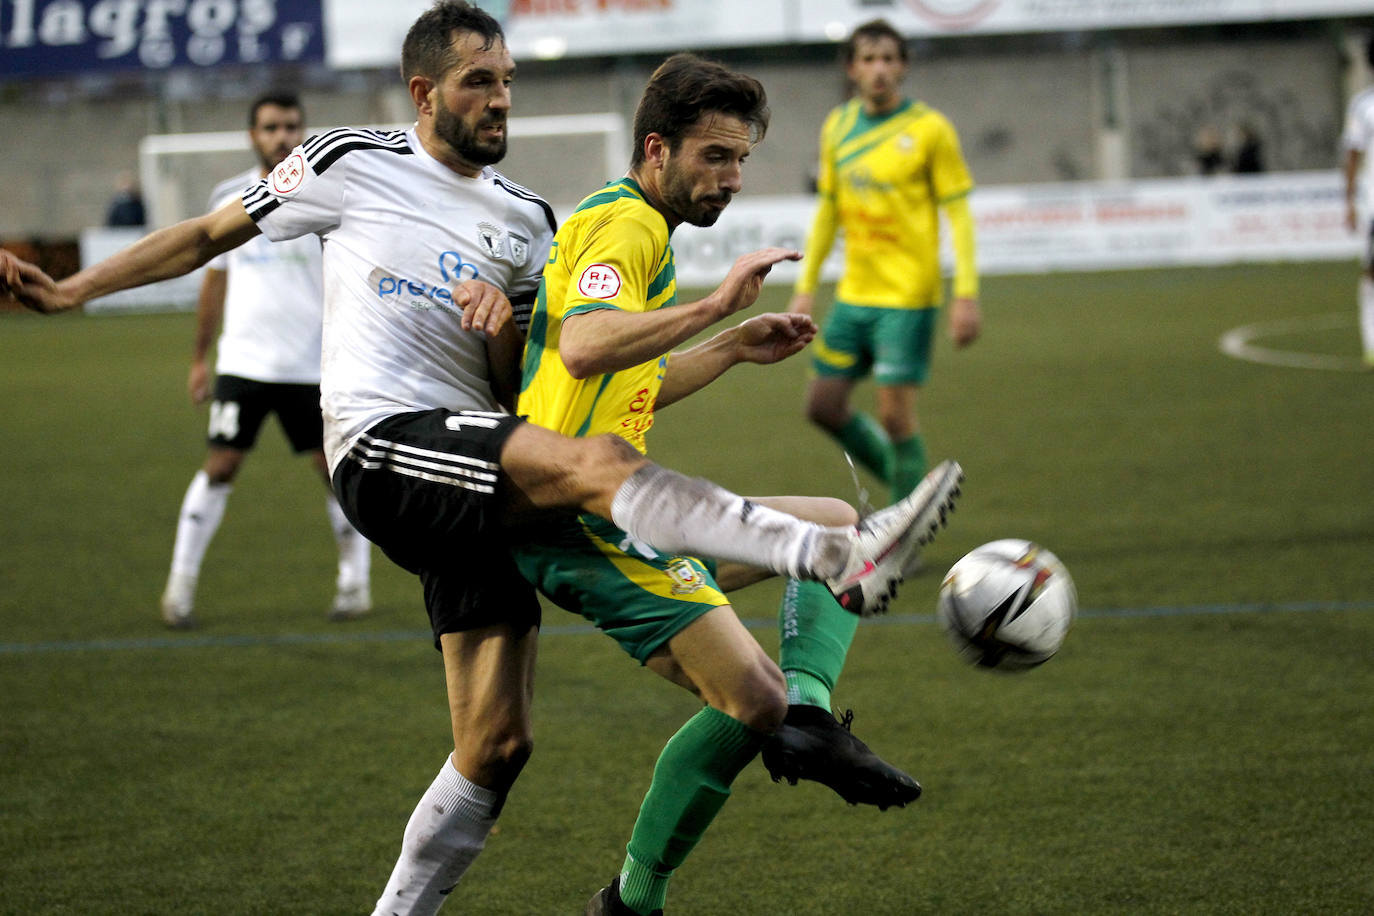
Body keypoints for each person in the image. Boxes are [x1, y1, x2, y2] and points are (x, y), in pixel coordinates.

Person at [0, 4, 959, 913]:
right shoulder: (349, 160)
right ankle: (833, 554)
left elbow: (540, 382)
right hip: (384, 442)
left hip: (480, 470)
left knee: (496, 743)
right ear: (423, 94)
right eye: (477, 82)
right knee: (597, 469)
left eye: (505, 80)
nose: (499, 98)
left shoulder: (531, 221)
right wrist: (73, 289)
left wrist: (523, 332)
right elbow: (208, 236)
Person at [513, 54, 961, 916]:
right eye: (714, 157)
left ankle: (808, 719)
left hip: (606, 497)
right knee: (753, 698)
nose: (732, 178)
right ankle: (636, 897)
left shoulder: (633, 222)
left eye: (742, 159)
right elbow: (586, 345)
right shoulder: (629, 229)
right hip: (583, 520)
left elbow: (622, 379)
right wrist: (716, 306)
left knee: (831, 528)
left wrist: (730, 348)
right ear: (656, 148)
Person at [159, 90, 373, 629]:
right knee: (220, 465)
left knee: (334, 472)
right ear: (252, 134)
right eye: (271, 127)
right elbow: (215, 282)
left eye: (291, 126)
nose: (282, 136)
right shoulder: (229, 196)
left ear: (303, 130)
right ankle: (180, 587)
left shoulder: (327, 196)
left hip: (312, 366)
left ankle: (355, 584)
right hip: (244, 364)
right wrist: (199, 358)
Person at [788, 18, 981, 515]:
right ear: (852, 68)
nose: (879, 70)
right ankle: (915, 497)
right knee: (822, 406)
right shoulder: (838, 126)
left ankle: (901, 533)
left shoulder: (929, 129)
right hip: (855, 294)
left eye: (889, 59)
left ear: (904, 67)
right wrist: (805, 287)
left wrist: (966, 293)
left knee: (896, 417)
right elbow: (829, 210)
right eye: (869, 59)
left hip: (908, 297)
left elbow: (958, 213)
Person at [1341, 36, 1374, 368]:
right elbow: (1352, 156)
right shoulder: (1364, 105)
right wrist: (1349, 202)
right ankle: (1372, 342)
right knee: (1372, 273)